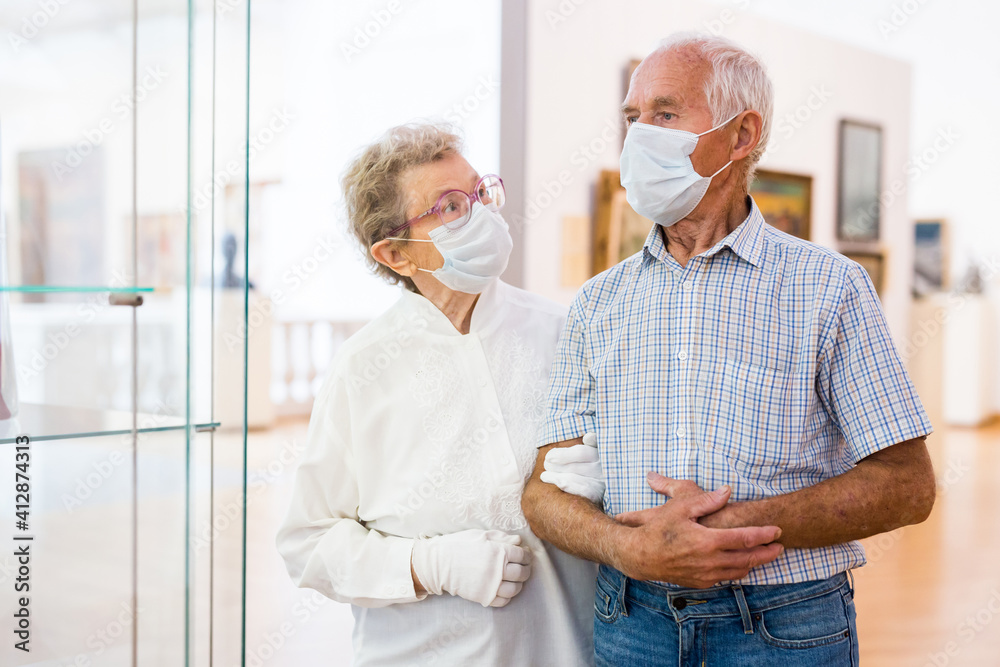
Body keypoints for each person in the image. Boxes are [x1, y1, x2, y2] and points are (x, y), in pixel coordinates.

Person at [522, 33, 935, 666]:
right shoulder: (598, 303)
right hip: (632, 620)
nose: (638, 135)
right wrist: (626, 547)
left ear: (740, 136)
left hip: (784, 627)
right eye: (632, 118)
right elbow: (544, 493)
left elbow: (906, 487)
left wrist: (722, 529)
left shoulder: (829, 287)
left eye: (664, 113)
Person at [276, 123, 595, 666]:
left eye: (479, 192)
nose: (481, 213)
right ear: (397, 254)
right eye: (449, 206)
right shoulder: (362, 369)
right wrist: (429, 565)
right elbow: (308, 543)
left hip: (567, 649)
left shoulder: (564, 331)